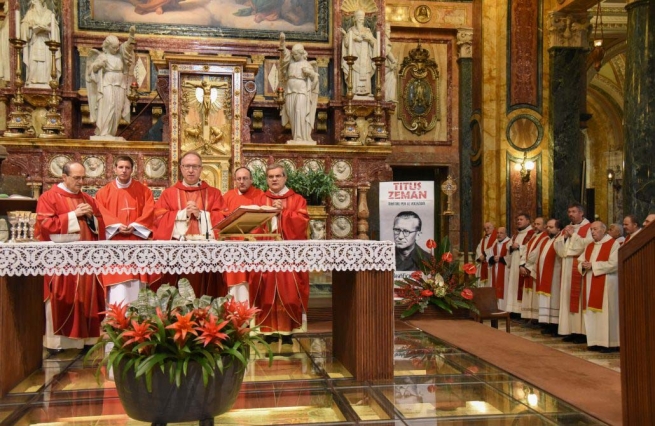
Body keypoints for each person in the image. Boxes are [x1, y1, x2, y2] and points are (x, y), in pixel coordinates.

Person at [35, 161, 104, 352]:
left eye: (83, 177)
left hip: (86, 261)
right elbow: (45, 226)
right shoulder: (49, 197)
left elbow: (100, 225)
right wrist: (73, 215)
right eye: (76, 178)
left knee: (88, 297)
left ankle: (87, 341)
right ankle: (59, 343)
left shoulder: (88, 199)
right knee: (61, 296)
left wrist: (91, 219)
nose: (81, 182)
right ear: (64, 177)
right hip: (60, 262)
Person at [250, 163, 310, 345]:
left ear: (285, 177)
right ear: (266, 179)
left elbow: (302, 222)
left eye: (278, 176)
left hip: (288, 254)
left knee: (289, 294)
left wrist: (283, 212)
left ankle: (287, 332)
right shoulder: (260, 199)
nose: (274, 179)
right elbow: (253, 225)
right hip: (266, 254)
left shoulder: (297, 199)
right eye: (270, 177)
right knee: (265, 292)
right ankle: (267, 332)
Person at [153, 151, 226, 296]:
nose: (191, 170)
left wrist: (202, 215)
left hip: (206, 253)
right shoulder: (169, 193)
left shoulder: (214, 193)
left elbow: (223, 219)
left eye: (195, 166)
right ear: (181, 168)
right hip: (176, 252)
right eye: (187, 166)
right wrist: (182, 214)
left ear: (201, 169)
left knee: (205, 291)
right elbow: (158, 218)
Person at [95, 156, 159, 306]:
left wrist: (136, 225)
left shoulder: (143, 191)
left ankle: (137, 320)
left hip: (136, 239)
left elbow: (150, 211)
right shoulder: (104, 192)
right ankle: (116, 318)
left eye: (127, 167)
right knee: (117, 282)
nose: (124, 170)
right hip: (114, 242)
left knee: (136, 282)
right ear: (114, 169)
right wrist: (116, 226)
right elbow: (100, 212)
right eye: (121, 167)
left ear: (132, 169)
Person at [221, 166, 266, 303]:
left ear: (251, 180)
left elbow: (265, 219)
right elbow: (221, 219)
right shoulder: (227, 196)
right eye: (239, 179)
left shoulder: (260, 195)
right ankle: (234, 312)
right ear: (234, 180)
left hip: (253, 247)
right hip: (232, 247)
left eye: (245, 178)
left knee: (251, 280)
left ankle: (250, 314)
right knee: (233, 281)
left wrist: (249, 236)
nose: (242, 181)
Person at [554, 203, 593, 343]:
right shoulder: (567, 227)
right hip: (566, 265)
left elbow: (589, 244)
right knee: (567, 298)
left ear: (581, 213)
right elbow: (557, 245)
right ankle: (569, 329)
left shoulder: (589, 228)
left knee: (579, 298)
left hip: (579, 265)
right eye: (569, 211)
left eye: (574, 211)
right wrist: (564, 238)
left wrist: (573, 235)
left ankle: (581, 332)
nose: (570, 214)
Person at [578, 221, 620, 353]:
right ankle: (595, 341)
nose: (592, 232)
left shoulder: (613, 244)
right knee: (592, 313)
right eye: (591, 229)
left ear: (603, 230)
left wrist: (593, 266)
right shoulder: (589, 245)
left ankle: (609, 343)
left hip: (607, 283)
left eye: (595, 229)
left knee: (606, 314)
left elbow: (615, 264)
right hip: (590, 282)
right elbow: (581, 261)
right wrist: (583, 265)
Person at [86, 27, 136, 138]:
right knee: (109, 106)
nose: (116, 49)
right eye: (114, 47)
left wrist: (131, 35)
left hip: (120, 84)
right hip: (107, 84)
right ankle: (104, 132)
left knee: (118, 109)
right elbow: (91, 70)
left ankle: (112, 132)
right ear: (108, 47)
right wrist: (99, 65)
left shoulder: (120, 55)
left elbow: (128, 47)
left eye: (117, 46)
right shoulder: (102, 56)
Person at [278, 33, 319, 144]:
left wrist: (310, 73)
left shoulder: (306, 64)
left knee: (299, 111)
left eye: (296, 54)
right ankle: (296, 136)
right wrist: (283, 42)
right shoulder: (291, 62)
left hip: (302, 92)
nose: (294, 56)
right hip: (290, 92)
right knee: (292, 113)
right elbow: (285, 54)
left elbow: (315, 79)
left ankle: (302, 137)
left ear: (301, 54)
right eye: (293, 54)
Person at [20, 0, 61, 87]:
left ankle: (48, 80)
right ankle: (32, 80)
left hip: (46, 44)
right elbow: (23, 26)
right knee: (34, 64)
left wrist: (50, 29)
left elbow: (56, 29)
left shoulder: (49, 13)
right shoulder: (30, 13)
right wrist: (29, 27)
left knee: (47, 65)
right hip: (35, 42)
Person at [536, 219, 563, 336]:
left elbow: (562, 254)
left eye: (551, 227)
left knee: (554, 301)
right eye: (547, 227)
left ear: (558, 229)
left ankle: (554, 325)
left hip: (555, 275)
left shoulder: (560, 240)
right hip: (544, 275)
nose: (548, 229)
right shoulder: (546, 240)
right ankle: (547, 324)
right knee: (546, 301)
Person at [340, 10, 376, 97]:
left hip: (365, 59)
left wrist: (369, 38)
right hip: (354, 60)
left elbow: (374, 43)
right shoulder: (350, 31)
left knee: (365, 73)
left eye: (362, 19)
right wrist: (349, 36)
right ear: (355, 19)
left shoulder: (367, 31)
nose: (361, 20)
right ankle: (354, 91)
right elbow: (346, 44)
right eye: (359, 19)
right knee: (354, 73)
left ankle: (366, 92)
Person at [505, 213, 534, 316]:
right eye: (517, 219)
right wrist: (511, 247)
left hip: (524, 265)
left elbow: (531, 248)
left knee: (521, 287)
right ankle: (514, 310)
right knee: (513, 286)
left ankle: (522, 311)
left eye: (521, 219)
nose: (518, 221)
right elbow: (507, 247)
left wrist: (519, 247)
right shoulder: (516, 234)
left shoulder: (532, 234)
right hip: (514, 265)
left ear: (528, 221)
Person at [521, 217, 548, 321]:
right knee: (529, 295)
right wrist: (522, 265)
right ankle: (530, 317)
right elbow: (525, 250)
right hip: (528, 267)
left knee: (535, 295)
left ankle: (536, 317)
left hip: (534, 268)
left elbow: (535, 254)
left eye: (538, 224)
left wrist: (526, 266)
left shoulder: (544, 236)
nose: (535, 226)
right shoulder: (533, 236)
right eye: (535, 224)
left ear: (545, 226)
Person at [486, 227, 511, 309]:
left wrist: (501, 258)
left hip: (505, 271)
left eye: (501, 233)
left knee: (504, 289)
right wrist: (493, 258)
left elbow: (511, 257)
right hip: (495, 269)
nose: (499, 235)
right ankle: (495, 307)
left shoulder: (509, 242)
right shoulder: (495, 243)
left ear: (506, 234)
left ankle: (504, 308)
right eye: (498, 233)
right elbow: (489, 255)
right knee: (494, 287)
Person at [474, 222, 497, 286]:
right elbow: (478, 249)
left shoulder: (496, 238)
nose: (486, 230)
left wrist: (484, 256)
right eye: (484, 229)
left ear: (493, 228)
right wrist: (480, 257)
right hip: (483, 263)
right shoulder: (483, 239)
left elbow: (493, 248)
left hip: (490, 264)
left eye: (488, 228)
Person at [384, 23, 398, 103]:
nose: (389, 31)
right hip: (386, 64)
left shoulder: (386, 39)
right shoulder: (384, 40)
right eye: (388, 29)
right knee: (390, 79)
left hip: (388, 64)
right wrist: (393, 60)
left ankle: (389, 97)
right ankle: (387, 97)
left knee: (392, 79)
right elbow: (387, 51)